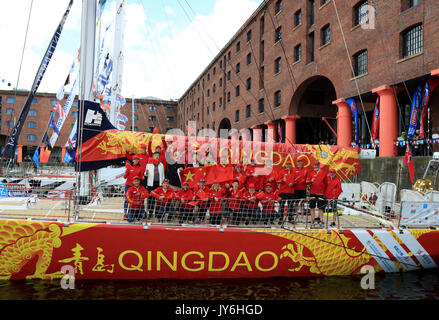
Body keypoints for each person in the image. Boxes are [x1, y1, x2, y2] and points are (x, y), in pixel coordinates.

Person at [144, 152, 165, 218]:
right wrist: (146, 173)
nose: (157, 157)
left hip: (159, 184)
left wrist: (163, 184)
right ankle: (150, 213)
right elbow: (145, 174)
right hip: (151, 184)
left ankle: (157, 214)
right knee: (150, 200)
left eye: (158, 155)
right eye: (155, 155)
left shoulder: (161, 164)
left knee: (159, 199)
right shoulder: (148, 164)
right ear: (153, 157)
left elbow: (163, 175)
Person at [306, 161, 327, 228]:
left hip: (320, 193)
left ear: (319, 165)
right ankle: (312, 221)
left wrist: (324, 192)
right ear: (313, 166)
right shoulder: (311, 173)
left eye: (317, 165)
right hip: (312, 192)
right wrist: (310, 181)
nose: (316, 166)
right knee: (312, 206)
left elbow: (326, 184)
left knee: (320, 207)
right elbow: (307, 182)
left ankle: (321, 220)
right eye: (315, 165)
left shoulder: (323, 173)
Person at [293, 158, 308, 223]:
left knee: (302, 204)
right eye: (298, 162)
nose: (299, 163)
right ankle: (296, 217)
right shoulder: (293, 169)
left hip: (303, 189)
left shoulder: (306, 170)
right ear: (297, 163)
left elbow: (308, 179)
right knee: (296, 203)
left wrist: (305, 181)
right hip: (295, 189)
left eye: (301, 162)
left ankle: (302, 218)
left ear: (302, 163)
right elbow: (291, 178)